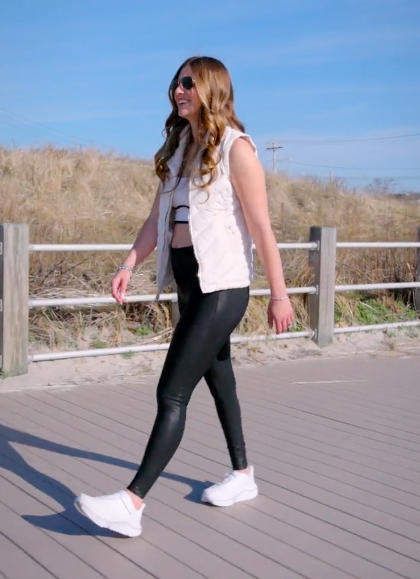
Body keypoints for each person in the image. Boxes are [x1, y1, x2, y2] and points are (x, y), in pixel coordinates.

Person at [74, 56, 295, 538]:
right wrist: (129, 264)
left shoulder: (237, 149)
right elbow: (158, 220)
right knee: (221, 381)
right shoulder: (179, 147)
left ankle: (131, 504)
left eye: (189, 83)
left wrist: (280, 294)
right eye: (176, 82)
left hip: (224, 286)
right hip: (189, 282)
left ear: (211, 88)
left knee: (171, 391)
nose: (179, 89)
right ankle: (242, 476)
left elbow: (261, 228)